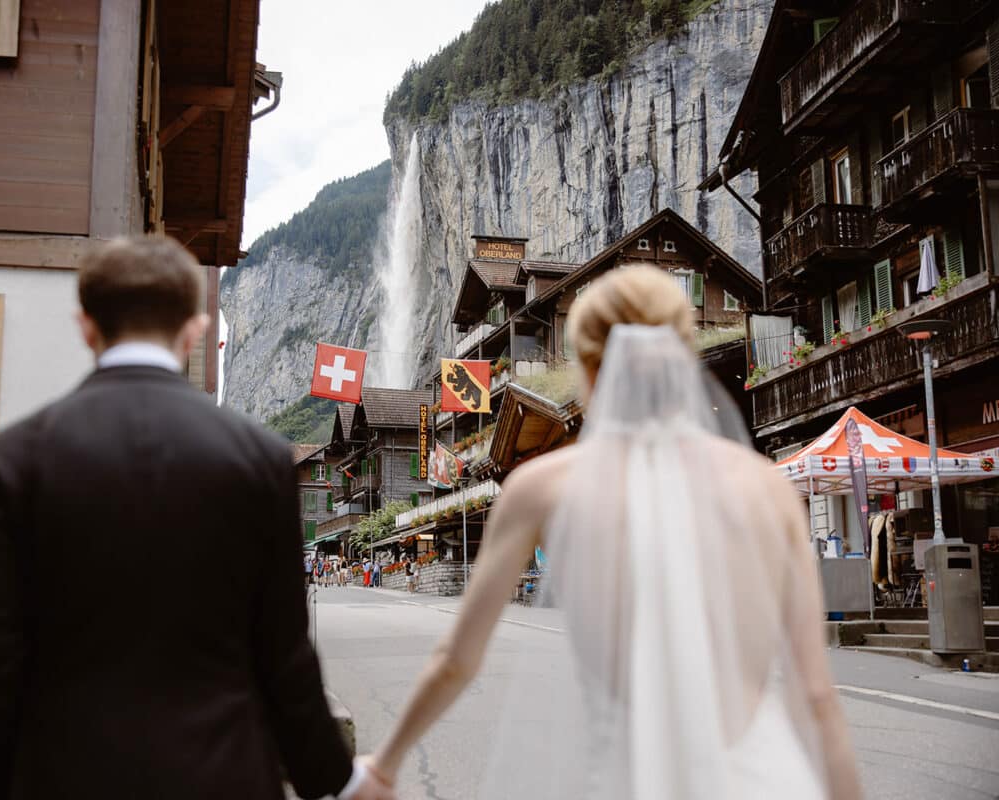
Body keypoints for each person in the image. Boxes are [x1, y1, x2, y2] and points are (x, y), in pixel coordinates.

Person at [363, 266, 861, 799]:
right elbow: (815, 696)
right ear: (681, 354)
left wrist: (383, 767)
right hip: (761, 778)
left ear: (588, 367)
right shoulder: (766, 487)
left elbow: (457, 661)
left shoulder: (541, 488)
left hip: (625, 774)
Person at [0, 236, 391, 800]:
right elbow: (283, 659)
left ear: (86, 326)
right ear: (194, 331)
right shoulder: (259, 459)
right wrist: (338, 780)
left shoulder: (12, 459)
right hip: (223, 778)